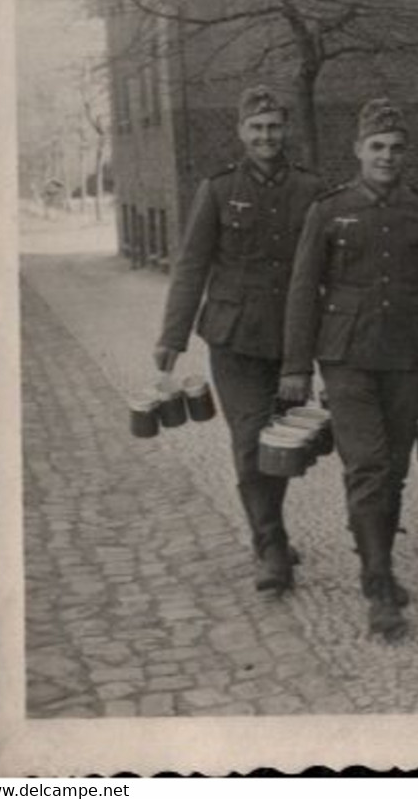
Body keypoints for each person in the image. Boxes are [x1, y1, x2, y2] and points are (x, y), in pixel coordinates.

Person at [279, 98, 418, 641]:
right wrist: (295, 366)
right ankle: (379, 582)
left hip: (406, 357)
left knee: (395, 470)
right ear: (357, 150)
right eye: (377, 147)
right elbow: (302, 292)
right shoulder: (329, 211)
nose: (387, 156)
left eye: (396, 148)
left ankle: (375, 559)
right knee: (368, 466)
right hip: (347, 357)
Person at [153, 85, 324, 595]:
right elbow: (191, 266)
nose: (266, 136)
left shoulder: (310, 190)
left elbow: (325, 270)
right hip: (234, 337)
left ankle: (267, 528)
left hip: (292, 338)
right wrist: (172, 336)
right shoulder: (219, 189)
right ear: (241, 132)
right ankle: (271, 546)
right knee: (250, 442)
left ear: (284, 129)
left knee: (282, 445)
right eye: (257, 128)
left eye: (274, 127)